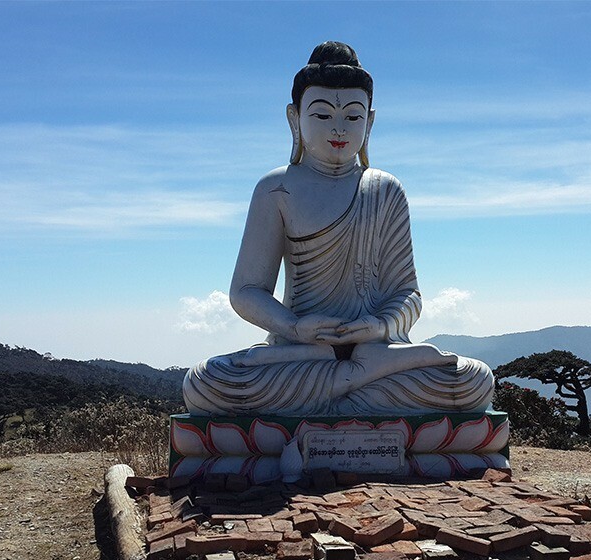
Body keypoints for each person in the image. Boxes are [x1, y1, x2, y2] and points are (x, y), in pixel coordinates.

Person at [183, 41, 494, 416]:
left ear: (370, 121)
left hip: (373, 349)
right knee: (205, 382)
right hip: (300, 352)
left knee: (474, 379)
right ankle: (358, 391)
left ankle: (336, 392)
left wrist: (377, 326)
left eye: (352, 117)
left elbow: (408, 294)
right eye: (322, 115)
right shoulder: (275, 189)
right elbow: (247, 291)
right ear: (295, 119)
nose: (338, 128)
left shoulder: (385, 189)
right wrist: (295, 328)